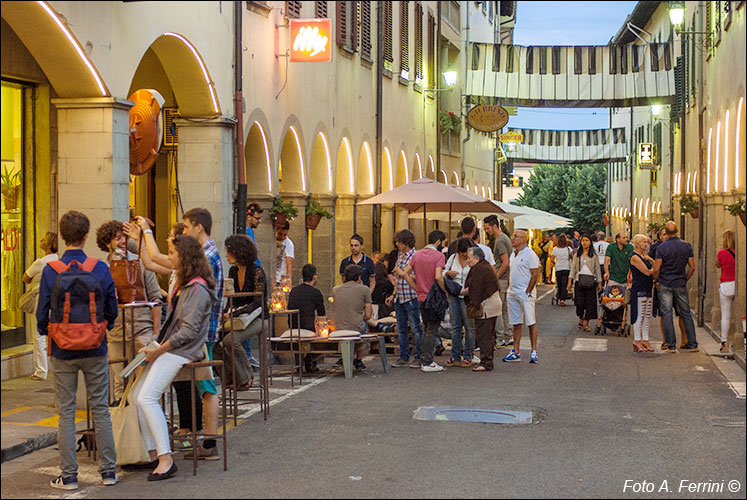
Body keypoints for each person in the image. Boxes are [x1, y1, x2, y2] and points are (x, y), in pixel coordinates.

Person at [36, 211, 119, 490]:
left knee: (67, 412)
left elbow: (41, 313)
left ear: (61, 237)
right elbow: (112, 308)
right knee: (101, 409)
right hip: (96, 347)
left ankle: (69, 476)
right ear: (86, 237)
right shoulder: (100, 268)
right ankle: (108, 471)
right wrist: (101, 327)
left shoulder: (51, 270)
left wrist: (50, 332)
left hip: (63, 349)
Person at [133, 234, 217, 481]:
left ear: (185, 257)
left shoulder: (196, 288)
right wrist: (156, 346)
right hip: (173, 348)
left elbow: (189, 331)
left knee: (146, 397)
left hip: (182, 351)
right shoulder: (188, 284)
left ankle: (165, 458)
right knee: (139, 396)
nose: (168, 257)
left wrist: (158, 349)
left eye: (171, 252)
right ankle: (153, 453)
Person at [95, 220, 161, 403]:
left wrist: (156, 331)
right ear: (108, 243)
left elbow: (155, 297)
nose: (123, 242)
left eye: (124, 237)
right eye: (117, 239)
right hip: (116, 331)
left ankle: (146, 419)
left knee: (146, 377)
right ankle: (123, 421)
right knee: (119, 379)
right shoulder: (102, 268)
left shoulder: (141, 263)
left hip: (143, 327)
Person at [181, 208, 223, 460]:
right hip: (206, 330)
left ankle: (209, 444)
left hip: (203, 332)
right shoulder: (210, 254)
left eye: (186, 227)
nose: (184, 232)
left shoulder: (207, 256)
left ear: (198, 227)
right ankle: (207, 442)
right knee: (204, 386)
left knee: (207, 388)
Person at [214, 235, 268, 390]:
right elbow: (231, 299)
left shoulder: (257, 272)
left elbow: (258, 303)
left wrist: (232, 314)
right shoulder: (233, 271)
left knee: (231, 340)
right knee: (214, 341)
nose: (226, 255)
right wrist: (224, 314)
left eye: (228, 251)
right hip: (239, 317)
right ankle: (230, 377)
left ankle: (246, 376)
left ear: (238, 252)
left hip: (258, 317)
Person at [396, 230, 447, 372]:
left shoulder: (417, 255)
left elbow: (404, 272)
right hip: (434, 298)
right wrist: (445, 291)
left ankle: (424, 358)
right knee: (432, 330)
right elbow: (438, 276)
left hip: (420, 297)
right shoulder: (439, 256)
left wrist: (416, 287)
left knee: (425, 329)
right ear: (438, 242)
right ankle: (427, 361)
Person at [653, 221, 698, 353]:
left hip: (665, 283)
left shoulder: (661, 248)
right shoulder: (686, 246)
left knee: (667, 314)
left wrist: (656, 279)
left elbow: (656, 268)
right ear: (677, 231)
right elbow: (692, 267)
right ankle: (693, 344)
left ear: (665, 232)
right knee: (686, 314)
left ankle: (671, 345)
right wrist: (685, 278)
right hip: (680, 283)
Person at [386, 230, 425, 368]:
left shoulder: (416, 255)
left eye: (399, 242)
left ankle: (419, 356)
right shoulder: (400, 256)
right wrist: (393, 294)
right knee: (401, 329)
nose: (397, 244)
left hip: (411, 295)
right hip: (400, 296)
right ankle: (403, 356)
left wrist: (404, 274)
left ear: (405, 242)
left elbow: (420, 276)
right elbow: (397, 278)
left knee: (415, 327)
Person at [22, 231, 59, 381]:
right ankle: (55, 367)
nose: (41, 240)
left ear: (48, 245)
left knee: (39, 335)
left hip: (41, 299)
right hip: (57, 300)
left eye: (43, 239)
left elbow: (26, 277)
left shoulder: (41, 262)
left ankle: (41, 371)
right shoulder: (58, 260)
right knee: (56, 332)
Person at [503, 230, 540, 364]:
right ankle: (516, 351)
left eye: (515, 237)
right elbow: (511, 272)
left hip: (524, 292)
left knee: (530, 321)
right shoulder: (513, 254)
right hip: (513, 292)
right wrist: (509, 288)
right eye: (512, 236)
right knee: (516, 322)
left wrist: (528, 290)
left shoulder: (530, 254)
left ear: (523, 239)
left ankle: (534, 350)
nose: (512, 239)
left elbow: (535, 273)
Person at [649, 227, 687, 348]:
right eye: (663, 234)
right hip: (662, 284)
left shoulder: (678, 246)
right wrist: (656, 281)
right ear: (660, 236)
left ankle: (684, 339)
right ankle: (666, 340)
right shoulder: (656, 248)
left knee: (681, 312)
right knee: (664, 313)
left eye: (667, 234)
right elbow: (654, 266)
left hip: (676, 283)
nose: (665, 236)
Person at [463, 246, 501, 371]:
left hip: (487, 305)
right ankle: (486, 361)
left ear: (477, 258)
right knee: (487, 333)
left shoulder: (480, 269)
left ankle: (486, 362)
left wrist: (460, 292)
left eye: (469, 258)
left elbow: (476, 289)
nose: (467, 260)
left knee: (484, 333)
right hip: (492, 303)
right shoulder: (484, 266)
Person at [332, 264, 373, 371]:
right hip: (356, 327)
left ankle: (344, 355)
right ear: (359, 277)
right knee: (363, 325)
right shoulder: (364, 289)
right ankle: (358, 359)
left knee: (349, 323)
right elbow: (368, 315)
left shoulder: (336, 290)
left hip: (337, 327)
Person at [287, 264, 326, 372]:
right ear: (314, 277)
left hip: (293, 326)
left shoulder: (293, 291)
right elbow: (321, 315)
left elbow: (289, 308)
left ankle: (299, 362)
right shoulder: (316, 293)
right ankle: (309, 360)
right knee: (325, 337)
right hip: (308, 328)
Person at [444, 237, 476, 367]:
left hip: (467, 295)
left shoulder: (473, 258)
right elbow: (443, 271)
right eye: (462, 252)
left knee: (469, 327)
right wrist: (448, 273)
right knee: (455, 326)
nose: (464, 254)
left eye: (466, 251)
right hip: (454, 294)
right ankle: (455, 355)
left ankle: (468, 355)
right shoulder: (452, 258)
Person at [484, 215, 512, 348]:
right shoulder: (504, 238)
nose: (486, 231)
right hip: (505, 278)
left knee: (498, 309)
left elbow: (505, 262)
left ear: (494, 226)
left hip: (501, 279)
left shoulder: (500, 240)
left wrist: (495, 278)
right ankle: (508, 334)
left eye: (487, 228)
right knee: (505, 308)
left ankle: (500, 338)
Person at [568, 234, 602, 332]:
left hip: (591, 281)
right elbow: (573, 268)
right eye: (583, 240)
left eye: (587, 240)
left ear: (590, 242)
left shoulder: (594, 255)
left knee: (590, 304)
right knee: (580, 302)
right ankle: (581, 318)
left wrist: (599, 282)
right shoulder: (577, 255)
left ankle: (586, 323)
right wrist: (570, 281)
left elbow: (597, 269)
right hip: (579, 281)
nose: (585, 242)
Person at [629, 234, 655, 352]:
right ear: (638, 244)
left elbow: (651, 269)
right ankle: (637, 340)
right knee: (639, 315)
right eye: (644, 242)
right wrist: (656, 267)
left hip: (648, 288)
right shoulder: (635, 257)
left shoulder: (644, 256)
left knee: (646, 315)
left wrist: (651, 261)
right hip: (639, 288)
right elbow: (647, 272)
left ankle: (645, 339)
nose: (646, 244)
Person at [715, 230, 735, 353]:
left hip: (725, 285)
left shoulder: (721, 253)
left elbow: (718, 264)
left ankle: (724, 342)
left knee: (725, 316)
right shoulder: (739, 252)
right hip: (737, 284)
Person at [551, 234, 573, 307]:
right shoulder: (568, 249)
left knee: (559, 284)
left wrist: (555, 263)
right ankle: (562, 299)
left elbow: (552, 259)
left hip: (558, 268)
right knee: (565, 284)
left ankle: (559, 296)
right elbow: (573, 256)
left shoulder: (555, 249)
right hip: (566, 268)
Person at [276, 221, 294, 286]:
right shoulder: (272, 241)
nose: (282, 237)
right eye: (280, 234)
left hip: (280, 281)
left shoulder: (289, 244)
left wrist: (288, 280)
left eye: (285, 235)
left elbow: (289, 265)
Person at [245, 202, 263, 267]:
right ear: (249, 217)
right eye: (257, 218)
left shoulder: (249, 231)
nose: (260, 221)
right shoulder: (247, 233)